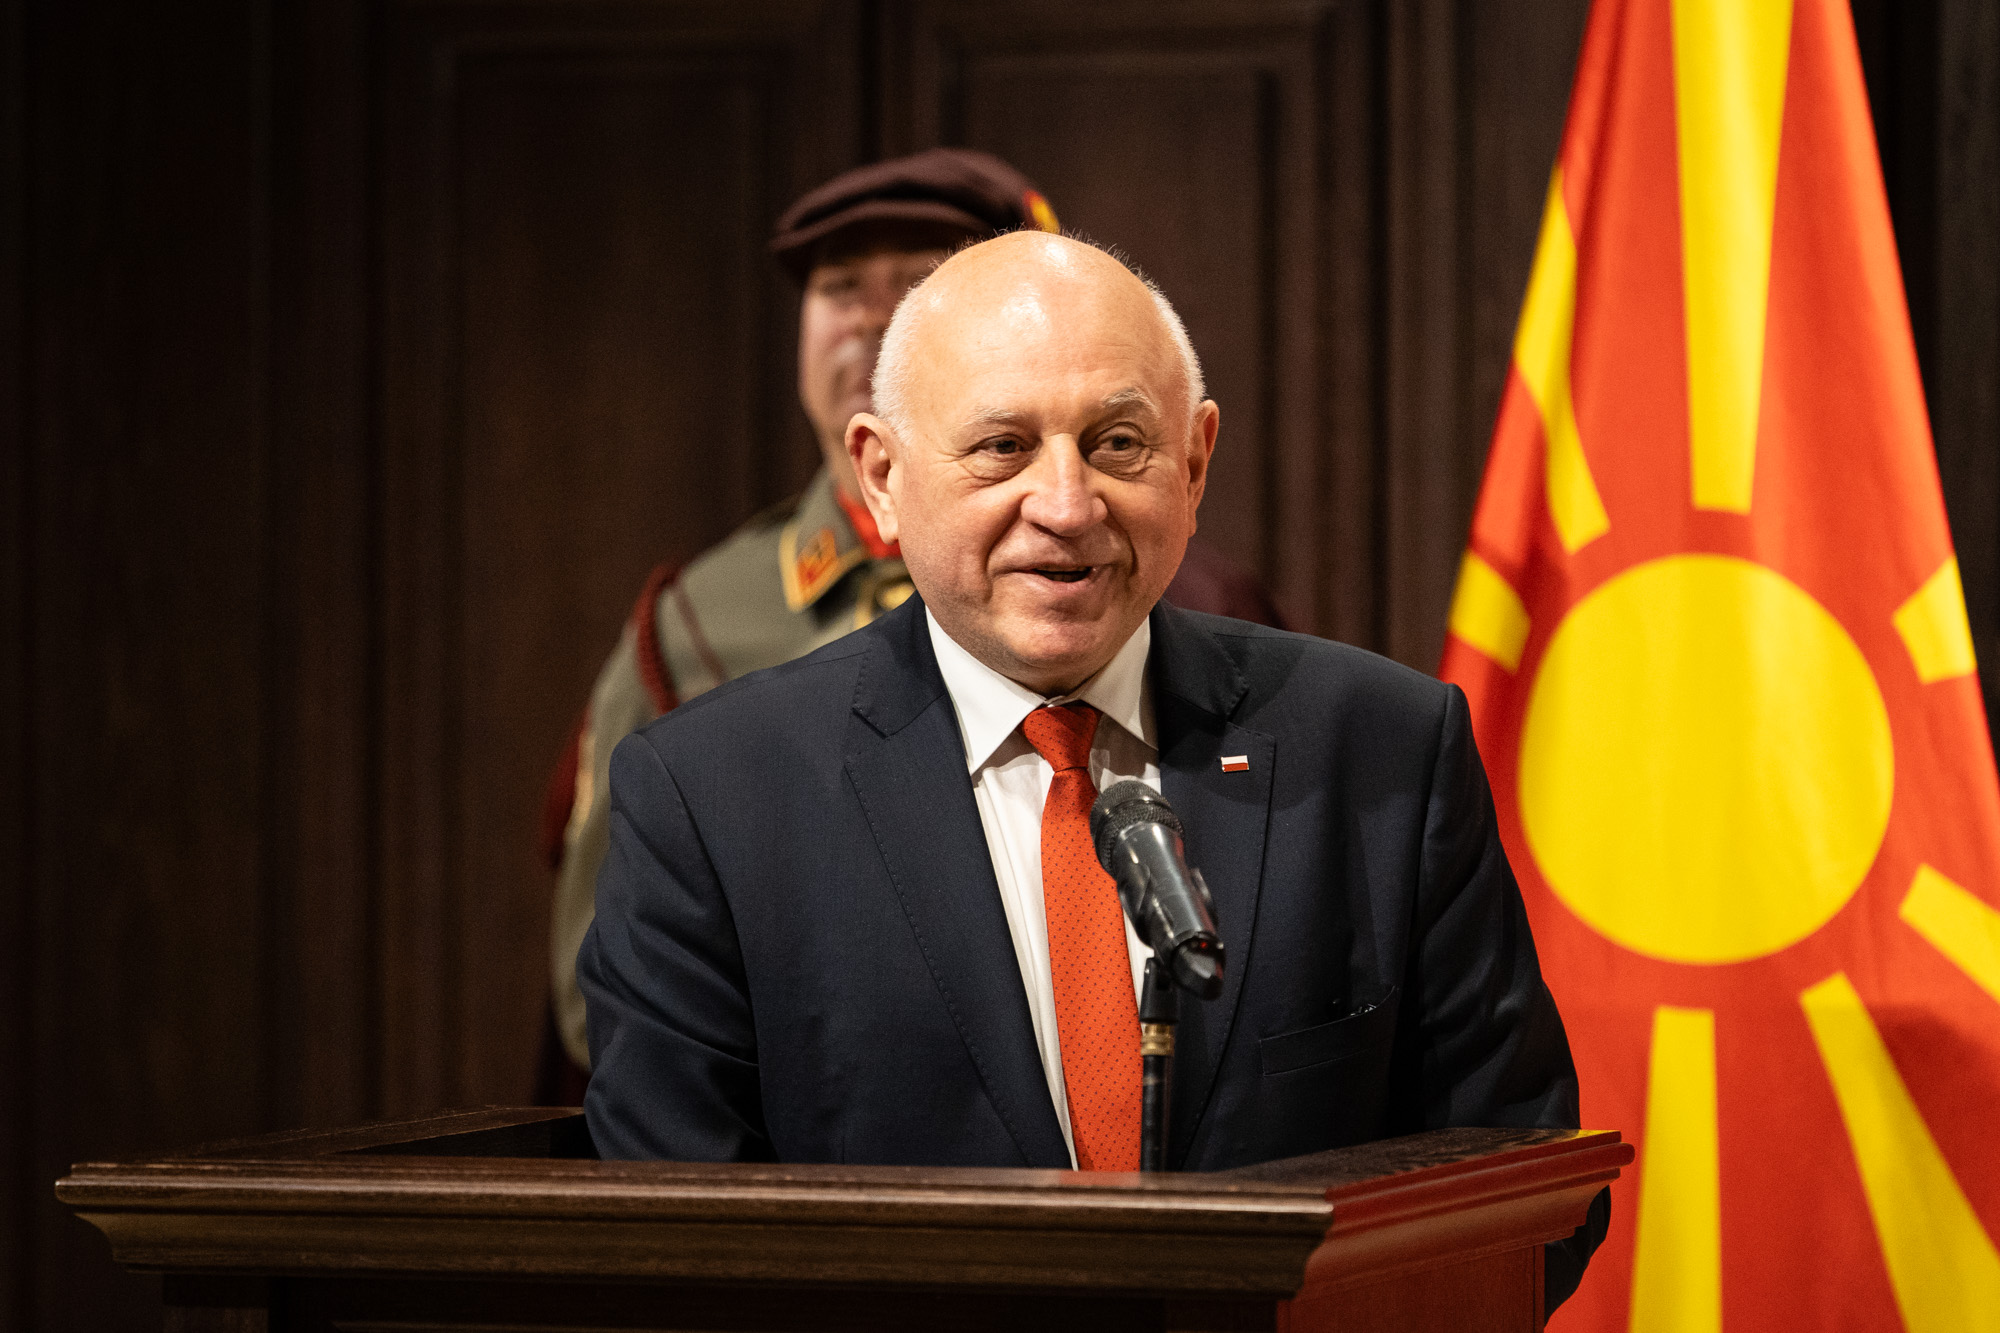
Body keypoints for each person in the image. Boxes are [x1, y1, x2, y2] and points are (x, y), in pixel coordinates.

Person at [578, 232, 1608, 1311]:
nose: (1066, 505)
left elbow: (1522, 1188)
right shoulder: (710, 797)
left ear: (1194, 463)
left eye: (1118, 443)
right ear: (882, 476)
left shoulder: (1382, 747)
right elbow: (676, 1257)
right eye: (1002, 447)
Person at [541, 149, 1286, 1088]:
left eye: (916, 277)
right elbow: (615, 989)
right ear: (881, 470)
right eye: (840, 286)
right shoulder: (696, 616)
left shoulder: (1190, 594)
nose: (870, 316)